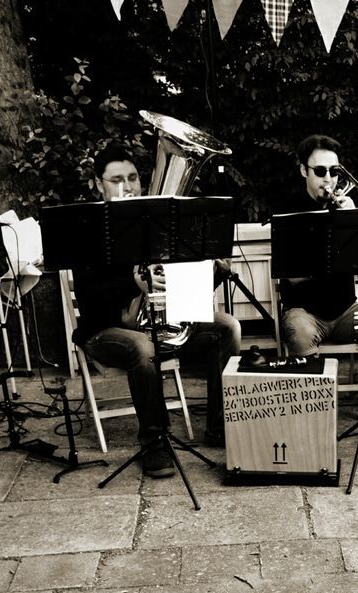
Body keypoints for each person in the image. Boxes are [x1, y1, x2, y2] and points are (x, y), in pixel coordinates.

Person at [72, 143, 242, 478]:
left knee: (228, 327)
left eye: (133, 177)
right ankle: (155, 442)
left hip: (159, 321)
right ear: (98, 184)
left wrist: (215, 272)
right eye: (116, 179)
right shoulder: (87, 229)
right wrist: (133, 284)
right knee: (142, 346)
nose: (127, 186)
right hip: (104, 328)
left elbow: (184, 292)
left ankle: (219, 428)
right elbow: (91, 296)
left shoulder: (158, 223)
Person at [277, 133, 358, 372]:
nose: (328, 179)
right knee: (299, 331)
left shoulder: (346, 211)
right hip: (306, 313)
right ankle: (317, 406)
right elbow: (293, 277)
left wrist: (356, 223)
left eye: (334, 171)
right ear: (303, 171)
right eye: (320, 171)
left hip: (347, 311)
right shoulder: (289, 213)